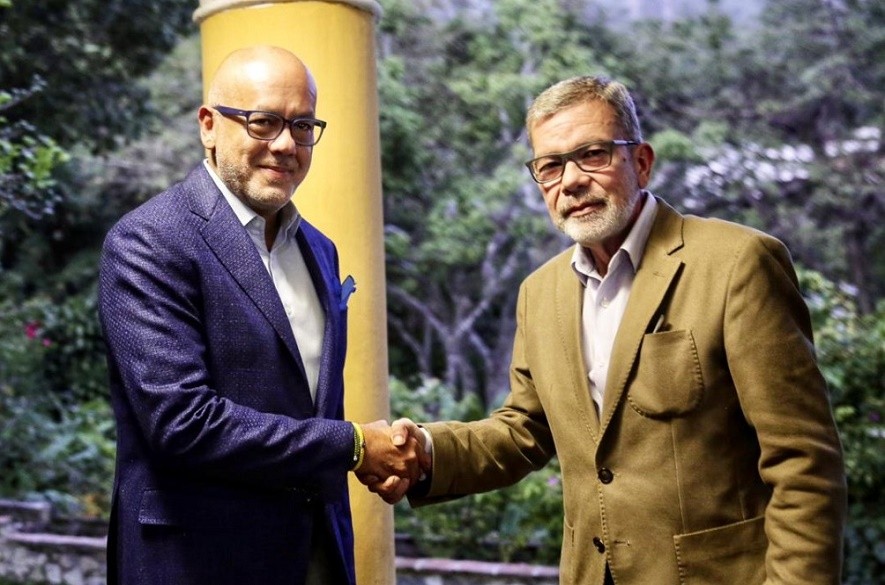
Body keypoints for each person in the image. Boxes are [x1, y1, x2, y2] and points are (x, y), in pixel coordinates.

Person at [378, 75, 847, 584]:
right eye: (550, 166)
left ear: (641, 162)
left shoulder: (737, 263)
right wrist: (424, 450)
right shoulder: (540, 293)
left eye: (592, 155)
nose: (571, 181)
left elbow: (804, 463)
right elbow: (522, 431)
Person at [98, 45, 422, 585]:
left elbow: (312, 403)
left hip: (316, 552)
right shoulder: (148, 241)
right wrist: (354, 446)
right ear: (209, 125)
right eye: (263, 122)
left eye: (302, 125)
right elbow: (183, 424)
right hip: (198, 561)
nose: (286, 144)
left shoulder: (319, 249)